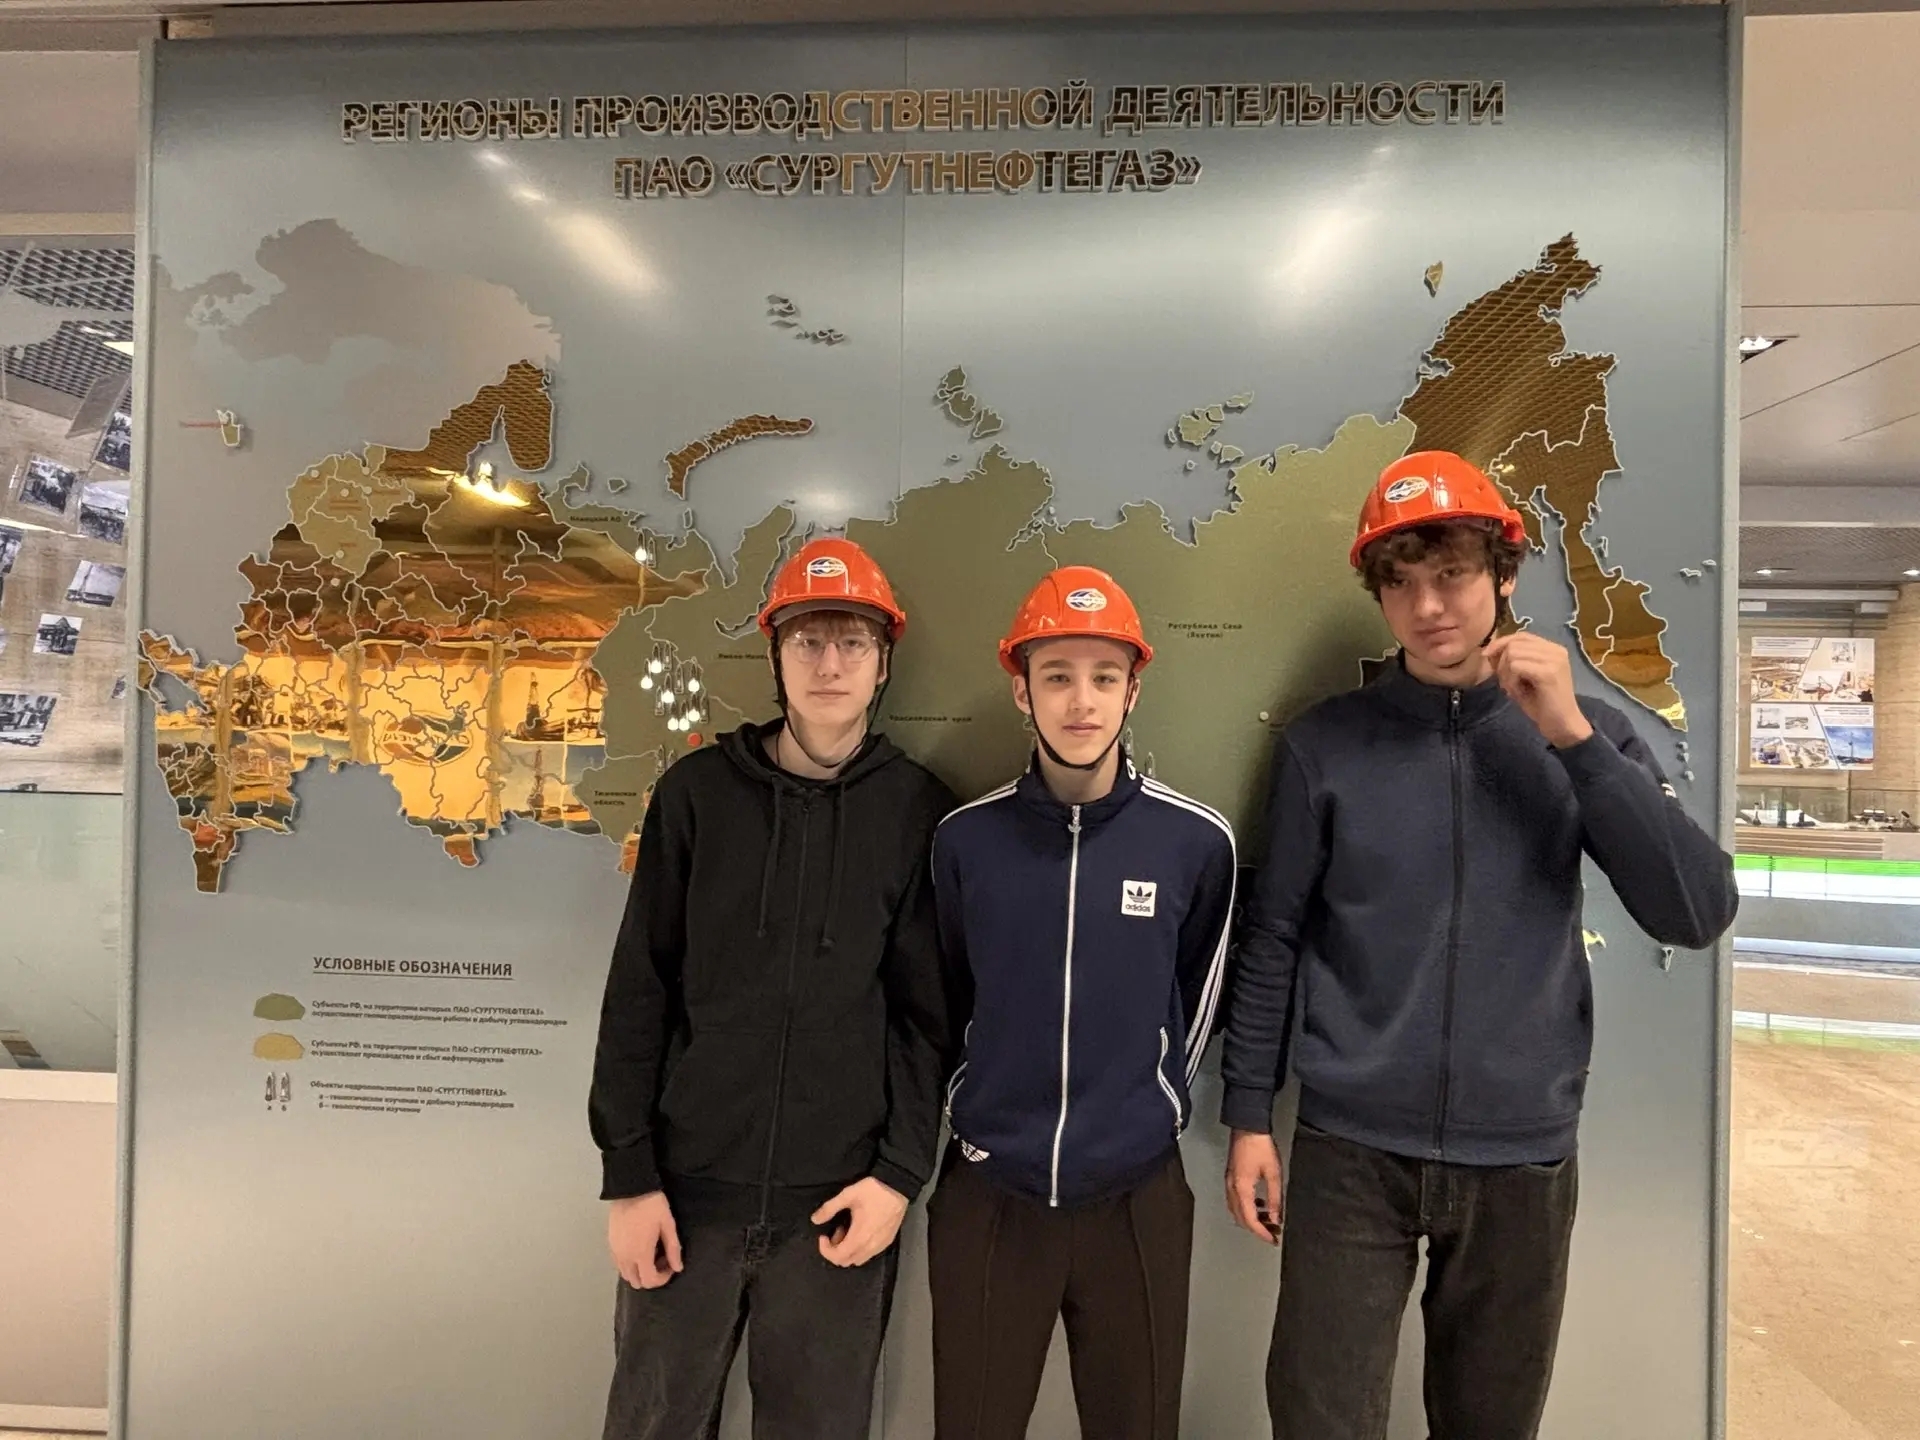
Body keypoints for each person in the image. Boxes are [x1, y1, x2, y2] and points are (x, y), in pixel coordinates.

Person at [1220, 452, 1738, 1440]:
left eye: (1452, 574)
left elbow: (1696, 910)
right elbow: (1272, 935)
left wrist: (1574, 739)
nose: (1428, 607)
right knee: (1318, 1418)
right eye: (1401, 583)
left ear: (1502, 574)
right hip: (1350, 1150)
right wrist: (1249, 1114)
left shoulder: (1582, 733)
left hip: (1521, 1156)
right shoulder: (1325, 746)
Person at [590, 537, 957, 1440]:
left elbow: (926, 1019)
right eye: (807, 641)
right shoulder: (696, 797)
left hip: (837, 1205)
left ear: (883, 663)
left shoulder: (918, 812)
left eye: (853, 642)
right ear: (776, 656)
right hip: (686, 1197)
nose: (829, 664)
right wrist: (629, 1179)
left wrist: (898, 1176)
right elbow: (639, 991)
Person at [927, 566, 1237, 1440]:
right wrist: (971, 1103)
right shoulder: (964, 841)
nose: (1081, 701)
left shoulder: (1196, 842)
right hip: (992, 1189)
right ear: (1020, 689)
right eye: (1056, 675)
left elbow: (1198, 997)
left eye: (1104, 676)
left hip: (1135, 1194)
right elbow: (945, 993)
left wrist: (1155, 1107)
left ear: (1133, 689)